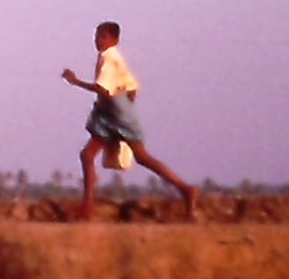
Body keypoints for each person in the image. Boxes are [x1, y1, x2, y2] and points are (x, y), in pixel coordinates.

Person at [61, 21, 197, 220]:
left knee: (140, 156)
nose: (98, 41)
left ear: (114, 40)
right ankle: (88, 207)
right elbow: (132, 88)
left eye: (102, 37)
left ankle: (185, 189)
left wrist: (76, 82)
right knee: (88, 155)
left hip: (115, 114)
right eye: (96, 37)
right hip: (111, 113)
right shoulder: (112, 58)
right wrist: (124, 103)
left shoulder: (109, 59)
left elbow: (103, 89)